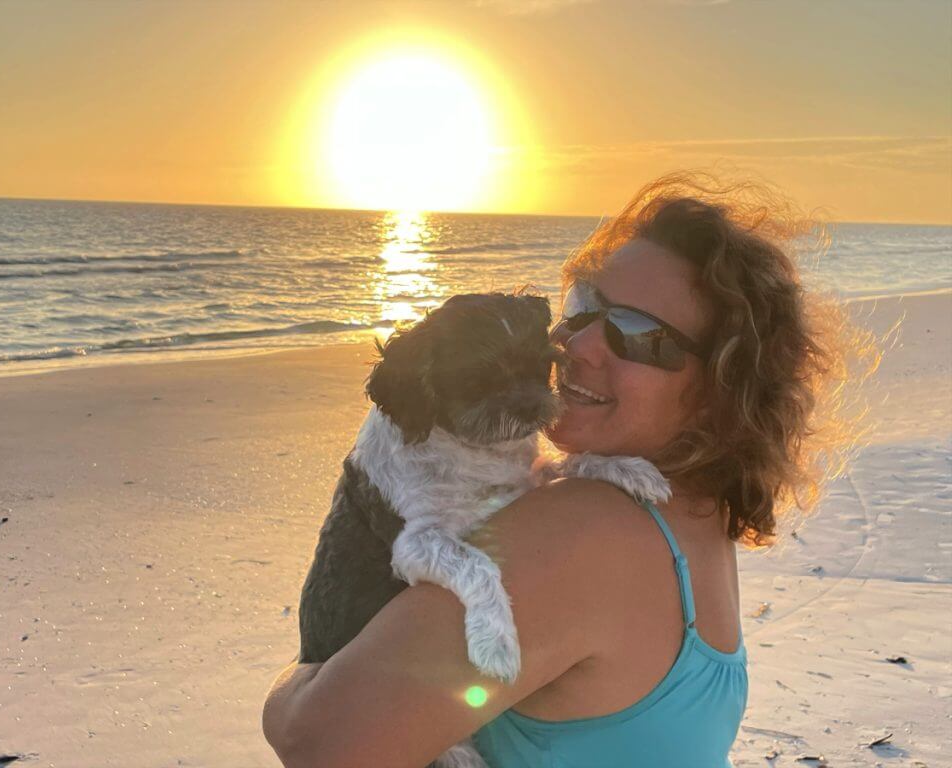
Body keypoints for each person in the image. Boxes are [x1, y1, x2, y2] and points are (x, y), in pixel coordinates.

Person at [261, 171, 872, 768]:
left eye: (634, 333)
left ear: (721, 387)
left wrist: (299, 681)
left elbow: (320, 744)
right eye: (581, 309)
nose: (576, 346)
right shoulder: (694, 513)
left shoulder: (583, 526)